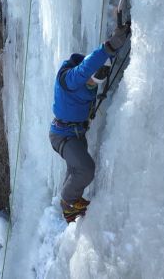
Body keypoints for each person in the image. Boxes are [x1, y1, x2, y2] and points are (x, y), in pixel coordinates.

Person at [49, 24, 131, 223]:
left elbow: (100, 64)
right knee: (85, 169)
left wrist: (119, 42)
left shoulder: (88, 79)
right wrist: (109, 46)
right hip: (63, 135)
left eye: (96, 82)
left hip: (77, 134)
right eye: (92, 80)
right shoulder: (70, 78)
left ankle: (71, 207)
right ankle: (67, 202)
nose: (93, 84)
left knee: (74, 171)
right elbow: (87, 67)